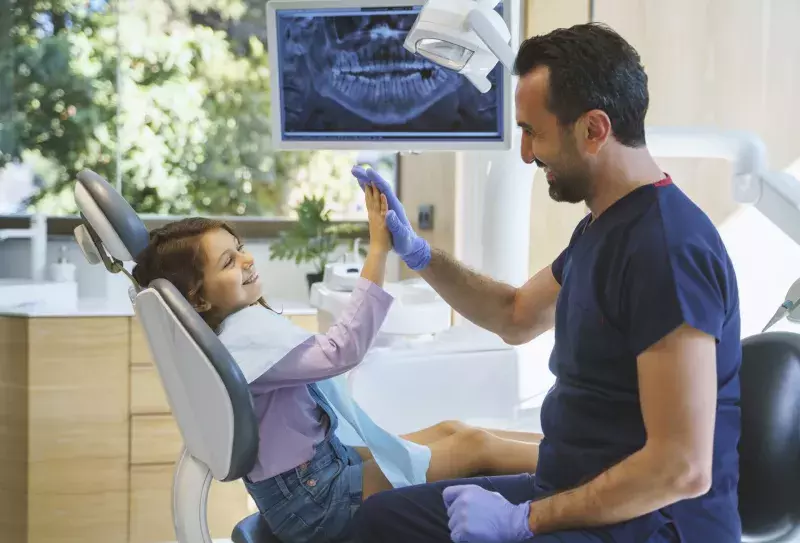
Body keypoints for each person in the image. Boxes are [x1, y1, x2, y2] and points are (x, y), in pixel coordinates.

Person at [351, 22, 742, 543]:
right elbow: (514, 315)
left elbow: (681, 468)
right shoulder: (602, 227)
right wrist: (419, 254)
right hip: (573, 490)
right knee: (380, 522)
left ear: (594, 130)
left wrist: (523, 521)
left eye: (534, 132)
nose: (527, 154)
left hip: (651, 525)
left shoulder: (667, 249)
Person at [130, 183, 545, 543]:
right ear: (199, 299)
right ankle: (578, 464)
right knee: (472, 447)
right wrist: (379, 247)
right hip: (315, 500)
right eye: (228, 262)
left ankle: (564, 448)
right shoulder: (245, 336)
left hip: (312, 481)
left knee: (455, 431)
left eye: (238, 250)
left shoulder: (236, 331)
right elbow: (343, 349)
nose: (246, 260)